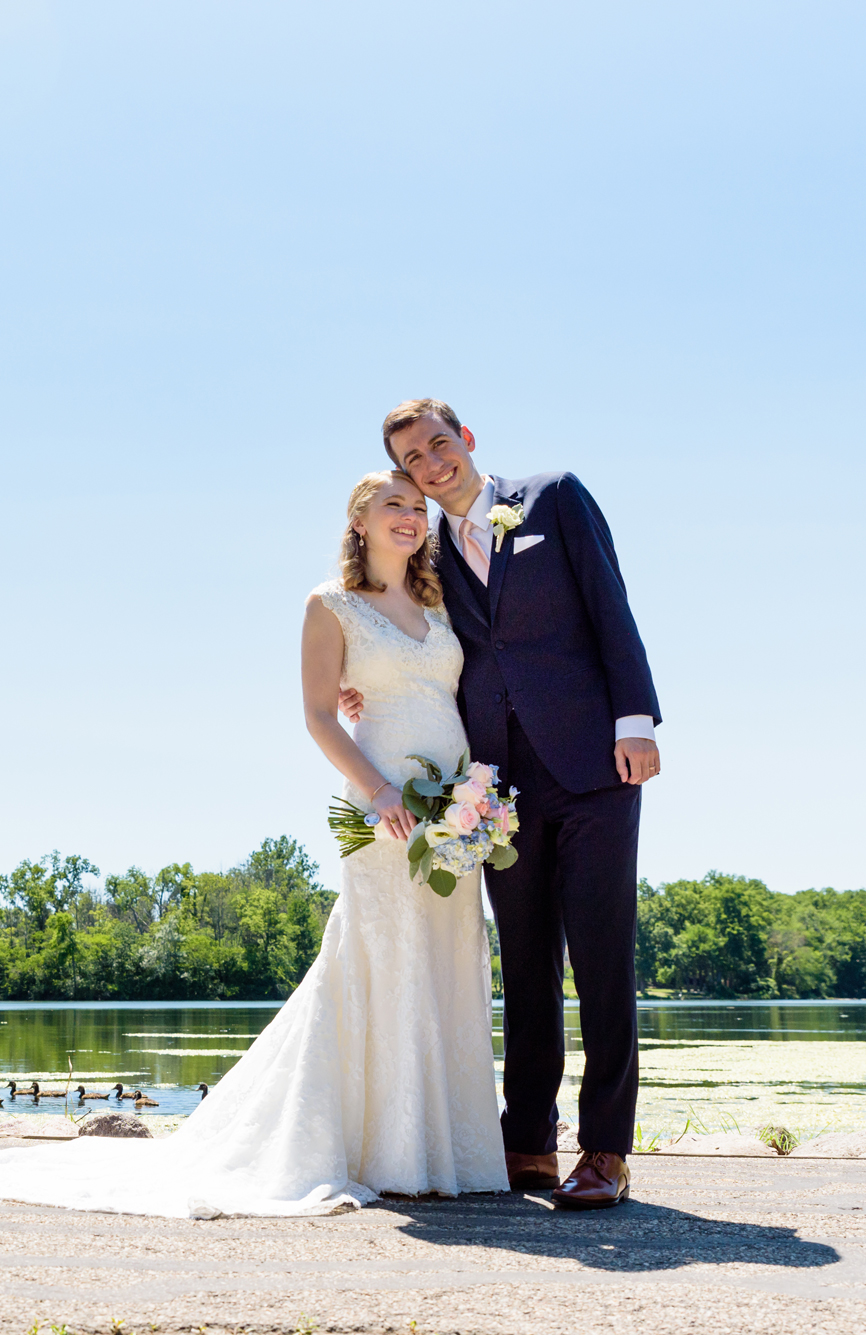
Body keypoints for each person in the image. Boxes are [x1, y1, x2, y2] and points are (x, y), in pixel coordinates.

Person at [0, 471, 507, 1217]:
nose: (410, 514)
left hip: (455, 813)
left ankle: (447, 1152)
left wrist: (473, 800)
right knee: (380, 955)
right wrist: (384, 790)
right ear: (358, 520)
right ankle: (384, 1149)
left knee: (447, 957)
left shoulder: (438, 602)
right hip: (384, 804)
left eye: (417, 506)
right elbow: (320, 716)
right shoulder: (330, 606)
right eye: (393, 503)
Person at [341, 398, 661, 1211]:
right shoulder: (427, 552)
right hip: (496, 788)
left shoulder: (554, 496)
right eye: (413, 460)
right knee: (523, 967)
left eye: (438, 445)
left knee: (601, 959)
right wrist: (359, 678)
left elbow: (610, 606)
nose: (431, 465)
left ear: (467, 440)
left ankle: (606, 1151)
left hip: (595, 763)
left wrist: (636, 719)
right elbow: (402, 629)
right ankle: (529, 1143)